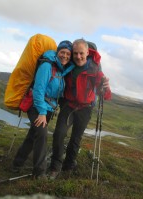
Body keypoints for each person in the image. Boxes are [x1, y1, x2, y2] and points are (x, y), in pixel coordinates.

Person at [11, 40, 75, 179]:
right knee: (42, 135)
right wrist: (41, 112)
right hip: (37, 106)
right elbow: (38, 91)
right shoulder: (47, 66)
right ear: (58, 52)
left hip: (48, 108)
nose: (65, 56)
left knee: (32, 136)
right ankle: (39, 172)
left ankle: (17, 164)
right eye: (62, 52)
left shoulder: (61, 70)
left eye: (68, 54)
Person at [49, 38, 111, 179]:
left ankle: (68, 166)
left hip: (85, 108)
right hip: (68, 105)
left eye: (81, 53)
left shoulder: (95, 69)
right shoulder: (69, 65)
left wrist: (105, 88)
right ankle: (55, 167)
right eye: (75, 53)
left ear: (87, 52)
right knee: (59, 134)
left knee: (75, 139)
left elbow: (105, 95)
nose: (78, 57)